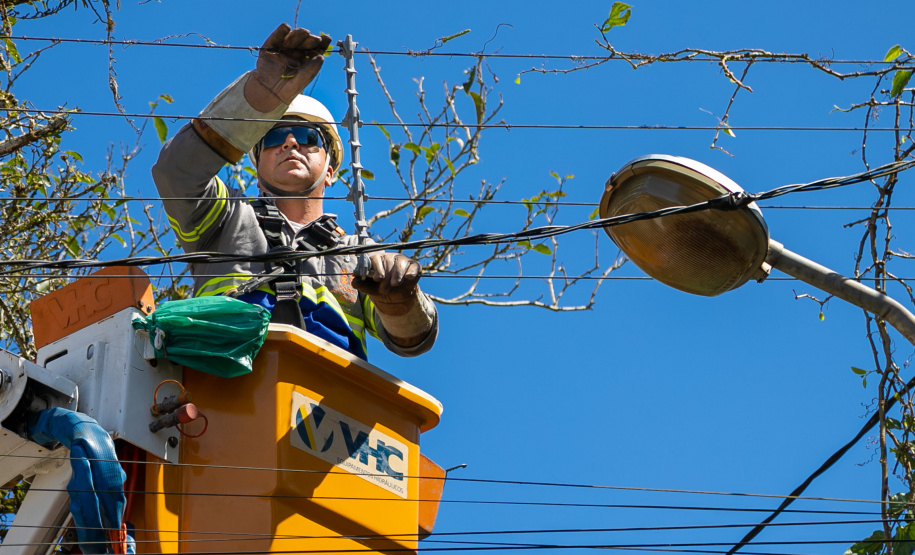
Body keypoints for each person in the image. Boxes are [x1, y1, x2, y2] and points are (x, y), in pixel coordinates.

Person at [151, 24, 437, 360]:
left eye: (307, 136)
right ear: (257, 169)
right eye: (274, 137)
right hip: (230, 392)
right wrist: (257, 98)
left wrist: (401, 300)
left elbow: (414, 339)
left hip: (329, 402)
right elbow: (176, 173)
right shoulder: (225, 219)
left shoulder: (356, 253)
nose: (290, 142)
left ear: (330, 171)